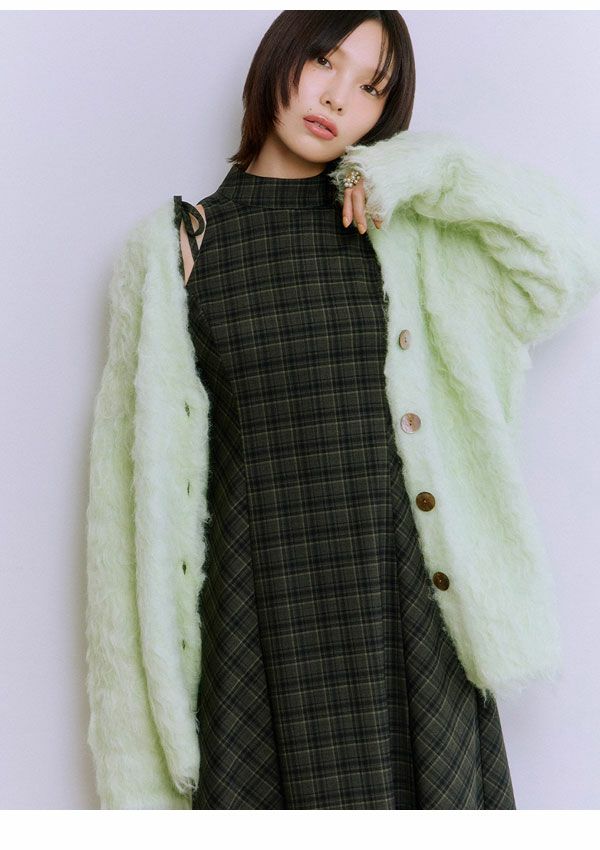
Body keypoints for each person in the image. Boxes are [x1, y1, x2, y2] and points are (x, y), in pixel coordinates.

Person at [85, 10, 600, 810]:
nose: (336, 98)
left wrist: (426, 170)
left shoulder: (400, 227)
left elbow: (562, 265)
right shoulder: (177, 249)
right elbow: (129, 516)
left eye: (371, 88)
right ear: (280, 58)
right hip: (261, 619)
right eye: (325, 62)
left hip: (405, 608)